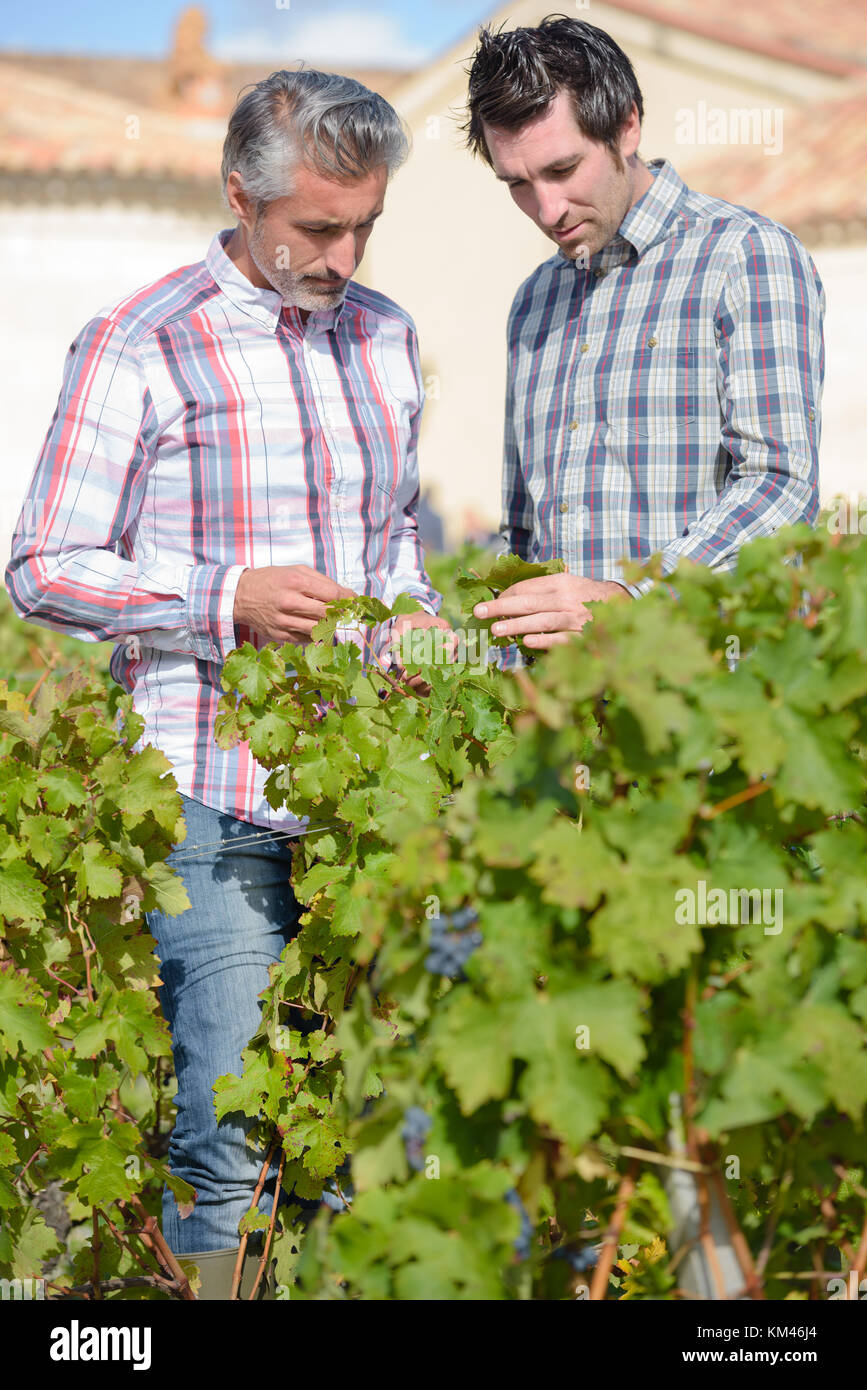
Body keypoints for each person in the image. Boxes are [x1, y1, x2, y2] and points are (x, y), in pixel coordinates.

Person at [5, 68, 451, 1298]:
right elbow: (40, 567)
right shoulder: (140, 342)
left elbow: (394, 539)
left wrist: (412, 623)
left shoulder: (387, 336)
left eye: (364, 224)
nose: (343, 253)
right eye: (317, 226)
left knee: (368, 1136)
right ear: (239, 195)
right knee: (231, 1139)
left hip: (368, 807)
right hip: (212, 792)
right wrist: (223, 600)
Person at [461, 17, 824, 653]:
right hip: (560, 723)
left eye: (563, 167)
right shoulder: (532, 304)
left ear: (627, 126)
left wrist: (633, 603)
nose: (547, 211)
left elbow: (779, 486)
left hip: (706, 704)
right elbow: (521, 533)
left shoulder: (745, 257)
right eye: (517, 183)